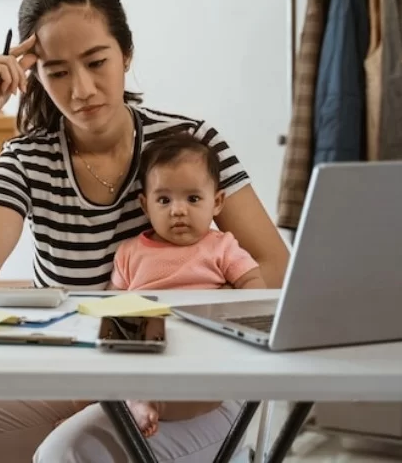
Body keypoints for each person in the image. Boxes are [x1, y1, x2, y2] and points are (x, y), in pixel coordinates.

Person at [0, 0, 289, 463]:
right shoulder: (27, 158)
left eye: (96, 62)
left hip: (192, 383)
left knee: (68, 454)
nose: (81, 89)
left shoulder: (192, 143)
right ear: (34, 75)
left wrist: (181, 322)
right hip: (75, 376)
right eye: (58, 71)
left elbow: (274, 265)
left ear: (126, 54)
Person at [60, 131, 268, 440]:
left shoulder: (221, 247)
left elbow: (254, 283)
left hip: (201, 351)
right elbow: (112, 305)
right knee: (85, 389)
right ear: (145, 205)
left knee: (208, 392)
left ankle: (147, 403)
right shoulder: (130, 252)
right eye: (164, 200)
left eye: (193, 198)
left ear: (217, 202)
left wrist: (241, 308)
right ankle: (112, 407)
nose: (178, 210)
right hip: (144, 348)